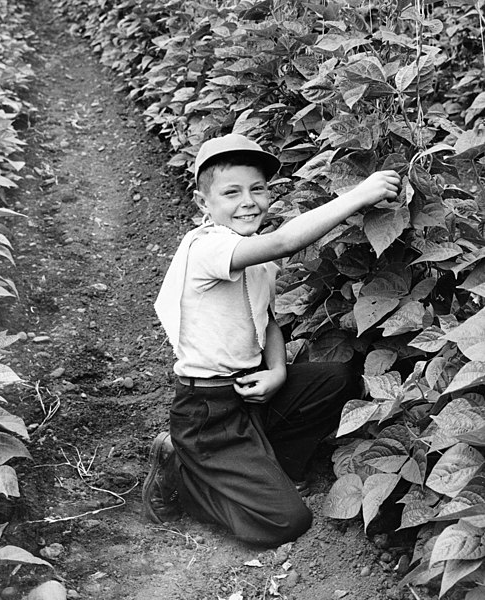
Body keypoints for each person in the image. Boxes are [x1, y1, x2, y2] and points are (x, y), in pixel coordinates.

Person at [143, 133, 401, 547]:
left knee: (335, 378)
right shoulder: (207, 247)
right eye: (231, 192)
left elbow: (267, 322)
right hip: (209, 414)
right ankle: (186, 476)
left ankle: (268, 469)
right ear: (202, 204)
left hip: (252, 393)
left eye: (257, 189)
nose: (248, 201)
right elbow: (285, 240)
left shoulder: (252, 255)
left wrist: (278, 372)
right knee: (287, 522)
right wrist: (359, 194)